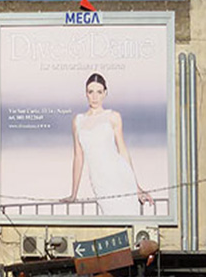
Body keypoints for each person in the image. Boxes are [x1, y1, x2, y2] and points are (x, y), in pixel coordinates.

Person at [63, 72, 153, 216]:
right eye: (91, 92)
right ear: (86, 93)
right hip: (100, 181)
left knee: (128, 222)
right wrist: (73, 194)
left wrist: (137, 188)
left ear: (105, 93)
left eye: (99, 92)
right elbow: (78, 157)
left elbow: (123, 152)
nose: (95, 97)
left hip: (120, 177)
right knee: (112, 221)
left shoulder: (113, 117)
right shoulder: (78, 121)